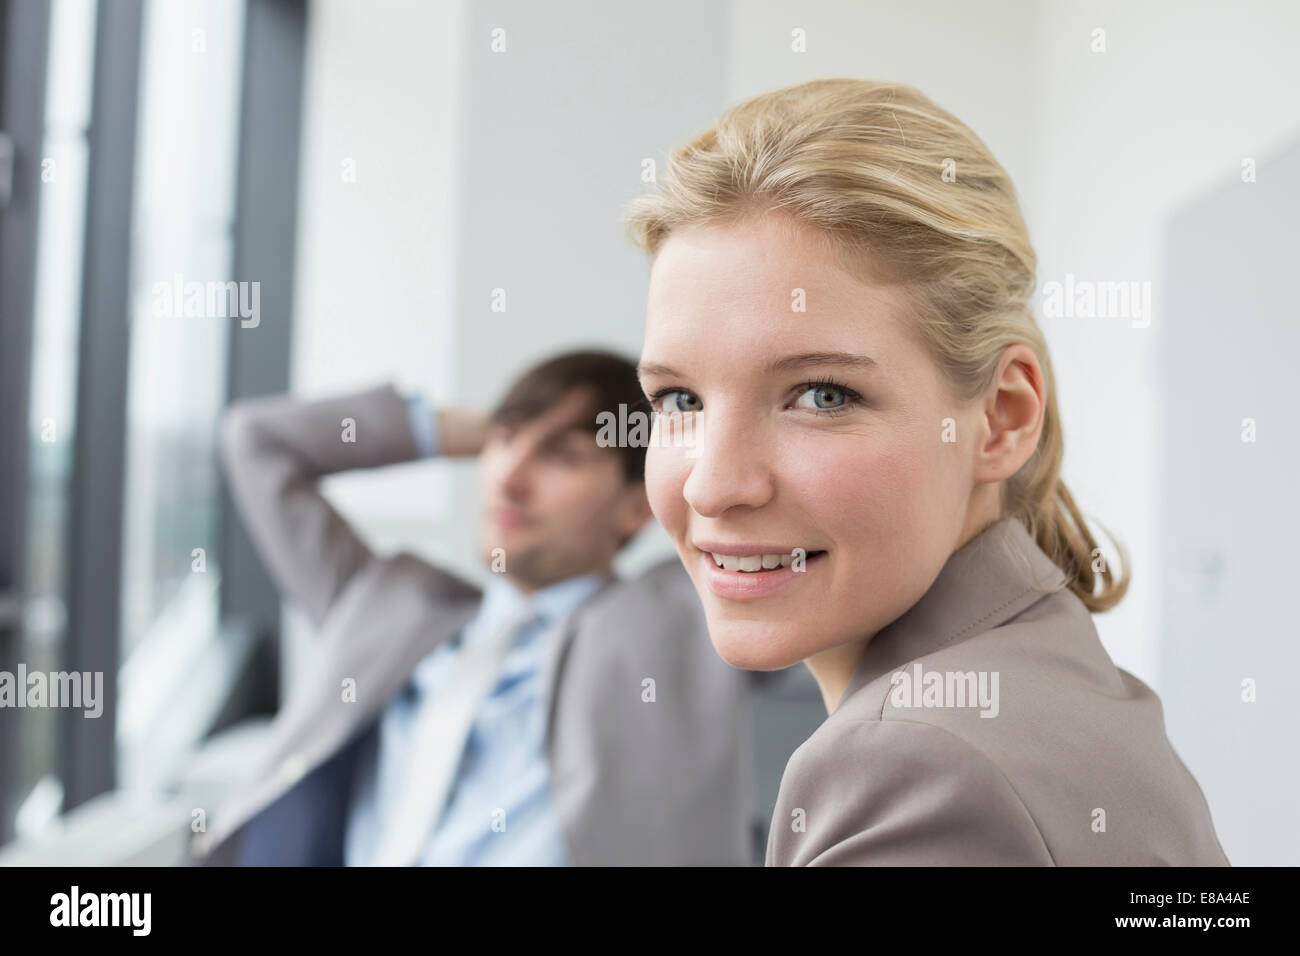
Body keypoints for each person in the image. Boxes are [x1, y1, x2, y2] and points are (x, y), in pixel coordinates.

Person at [624, 78, 1230, 865]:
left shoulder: (911, 762)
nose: (712, 484)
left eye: (822, 394)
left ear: (1003, 417)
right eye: (680, 398)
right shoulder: (1064, 683)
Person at [193, 349, 791, 866]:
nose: (509, 479)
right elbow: (258, 442)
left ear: (638, 507)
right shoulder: (388, 602)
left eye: (562, 456)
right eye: (505, 444)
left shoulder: (681, 620)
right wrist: (478, 429)